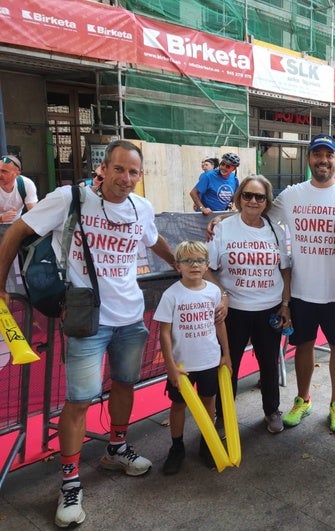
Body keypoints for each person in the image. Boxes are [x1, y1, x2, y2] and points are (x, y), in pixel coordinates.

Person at [0, 140, 176, 528]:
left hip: (131, 318)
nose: (125, 178)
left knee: (126, 385)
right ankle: (70, 482)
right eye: (118, 169)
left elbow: (154, 240)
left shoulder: (140, 208)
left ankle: (115, 448)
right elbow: (15, 233)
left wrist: (184, 263)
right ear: (104, 168)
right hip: (87, 319)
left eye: (133, 172)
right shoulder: (71, 198)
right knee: (78, 402)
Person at [210, 134, 335, 433]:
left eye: (328, 155)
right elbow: (256, 210)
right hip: (302, 291)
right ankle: (302, 399)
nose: (323, 160)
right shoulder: (293, 194)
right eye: (317, 155)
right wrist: (221, 220)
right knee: (304, 347)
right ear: (309, 159)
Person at [206, 175, 292, 434]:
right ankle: (225, 415)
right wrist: (222, 293)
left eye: (260, 196)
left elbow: (285, 270)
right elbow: (208, 269)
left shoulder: (275, 230)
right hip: (234, 311)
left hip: (269, 308)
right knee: (228, 365)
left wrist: (286, 304)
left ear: (266, 201)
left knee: (268, 363)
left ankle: (272, 410)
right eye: (248, 195)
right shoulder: (222, 228)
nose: (253, 201)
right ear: (239, 197)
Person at [153, 241, 231, 474]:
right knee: (178, 405)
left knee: (209, 401)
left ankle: (207, 442)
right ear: (178, 266)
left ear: (207, 265)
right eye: (187, 261)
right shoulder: (171, 295)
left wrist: (226, 354)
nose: (194, 265)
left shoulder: (213, 291)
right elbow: (164, 333)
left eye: (199, 260)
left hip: (209, 360)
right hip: (182, 366)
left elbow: (220, 325)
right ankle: (177, 447)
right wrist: (170, 367)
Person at [0, 154, 37, 223]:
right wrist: (1, 218)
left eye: (4, 171)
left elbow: (33, 213)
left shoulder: (26, 184)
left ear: (17, 174)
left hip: (14, 226)